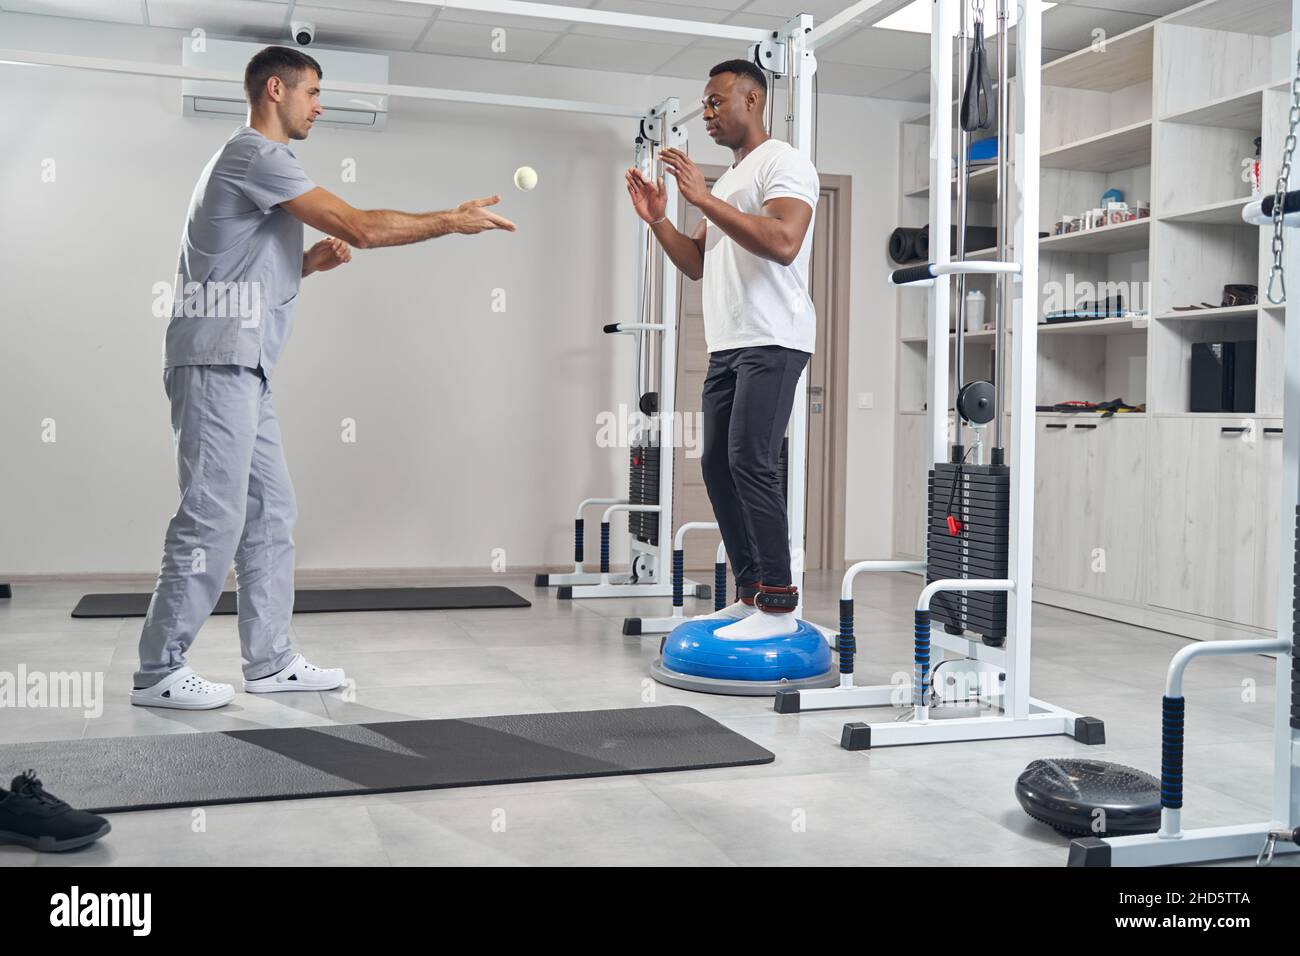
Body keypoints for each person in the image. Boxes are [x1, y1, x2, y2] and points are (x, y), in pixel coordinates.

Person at [134, 46, 516, 709]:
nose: (320, 105)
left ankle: (270, 661)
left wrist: (302, 265)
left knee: (271, 512)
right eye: (313, 92)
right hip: (218, 362)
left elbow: (230, 267)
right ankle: (159, 670)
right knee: (212, 518)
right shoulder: (258, 154)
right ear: (275, 89)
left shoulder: (254, 164)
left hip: (242, 365)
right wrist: (451, 221)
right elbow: (363, 228)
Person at [624, 59, 819, 640]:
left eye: (717, 102)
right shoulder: (733, 179)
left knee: (751, 462)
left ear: (752, 100)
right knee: (716, 465)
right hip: (729, 344)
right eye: (705, 104)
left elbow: (784, 243)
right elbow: (695, 265)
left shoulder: (784, 162)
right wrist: (661, 219)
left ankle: (780, 604)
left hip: (774, 338)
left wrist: (704, 200)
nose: (707, 113)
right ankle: (751, 592)